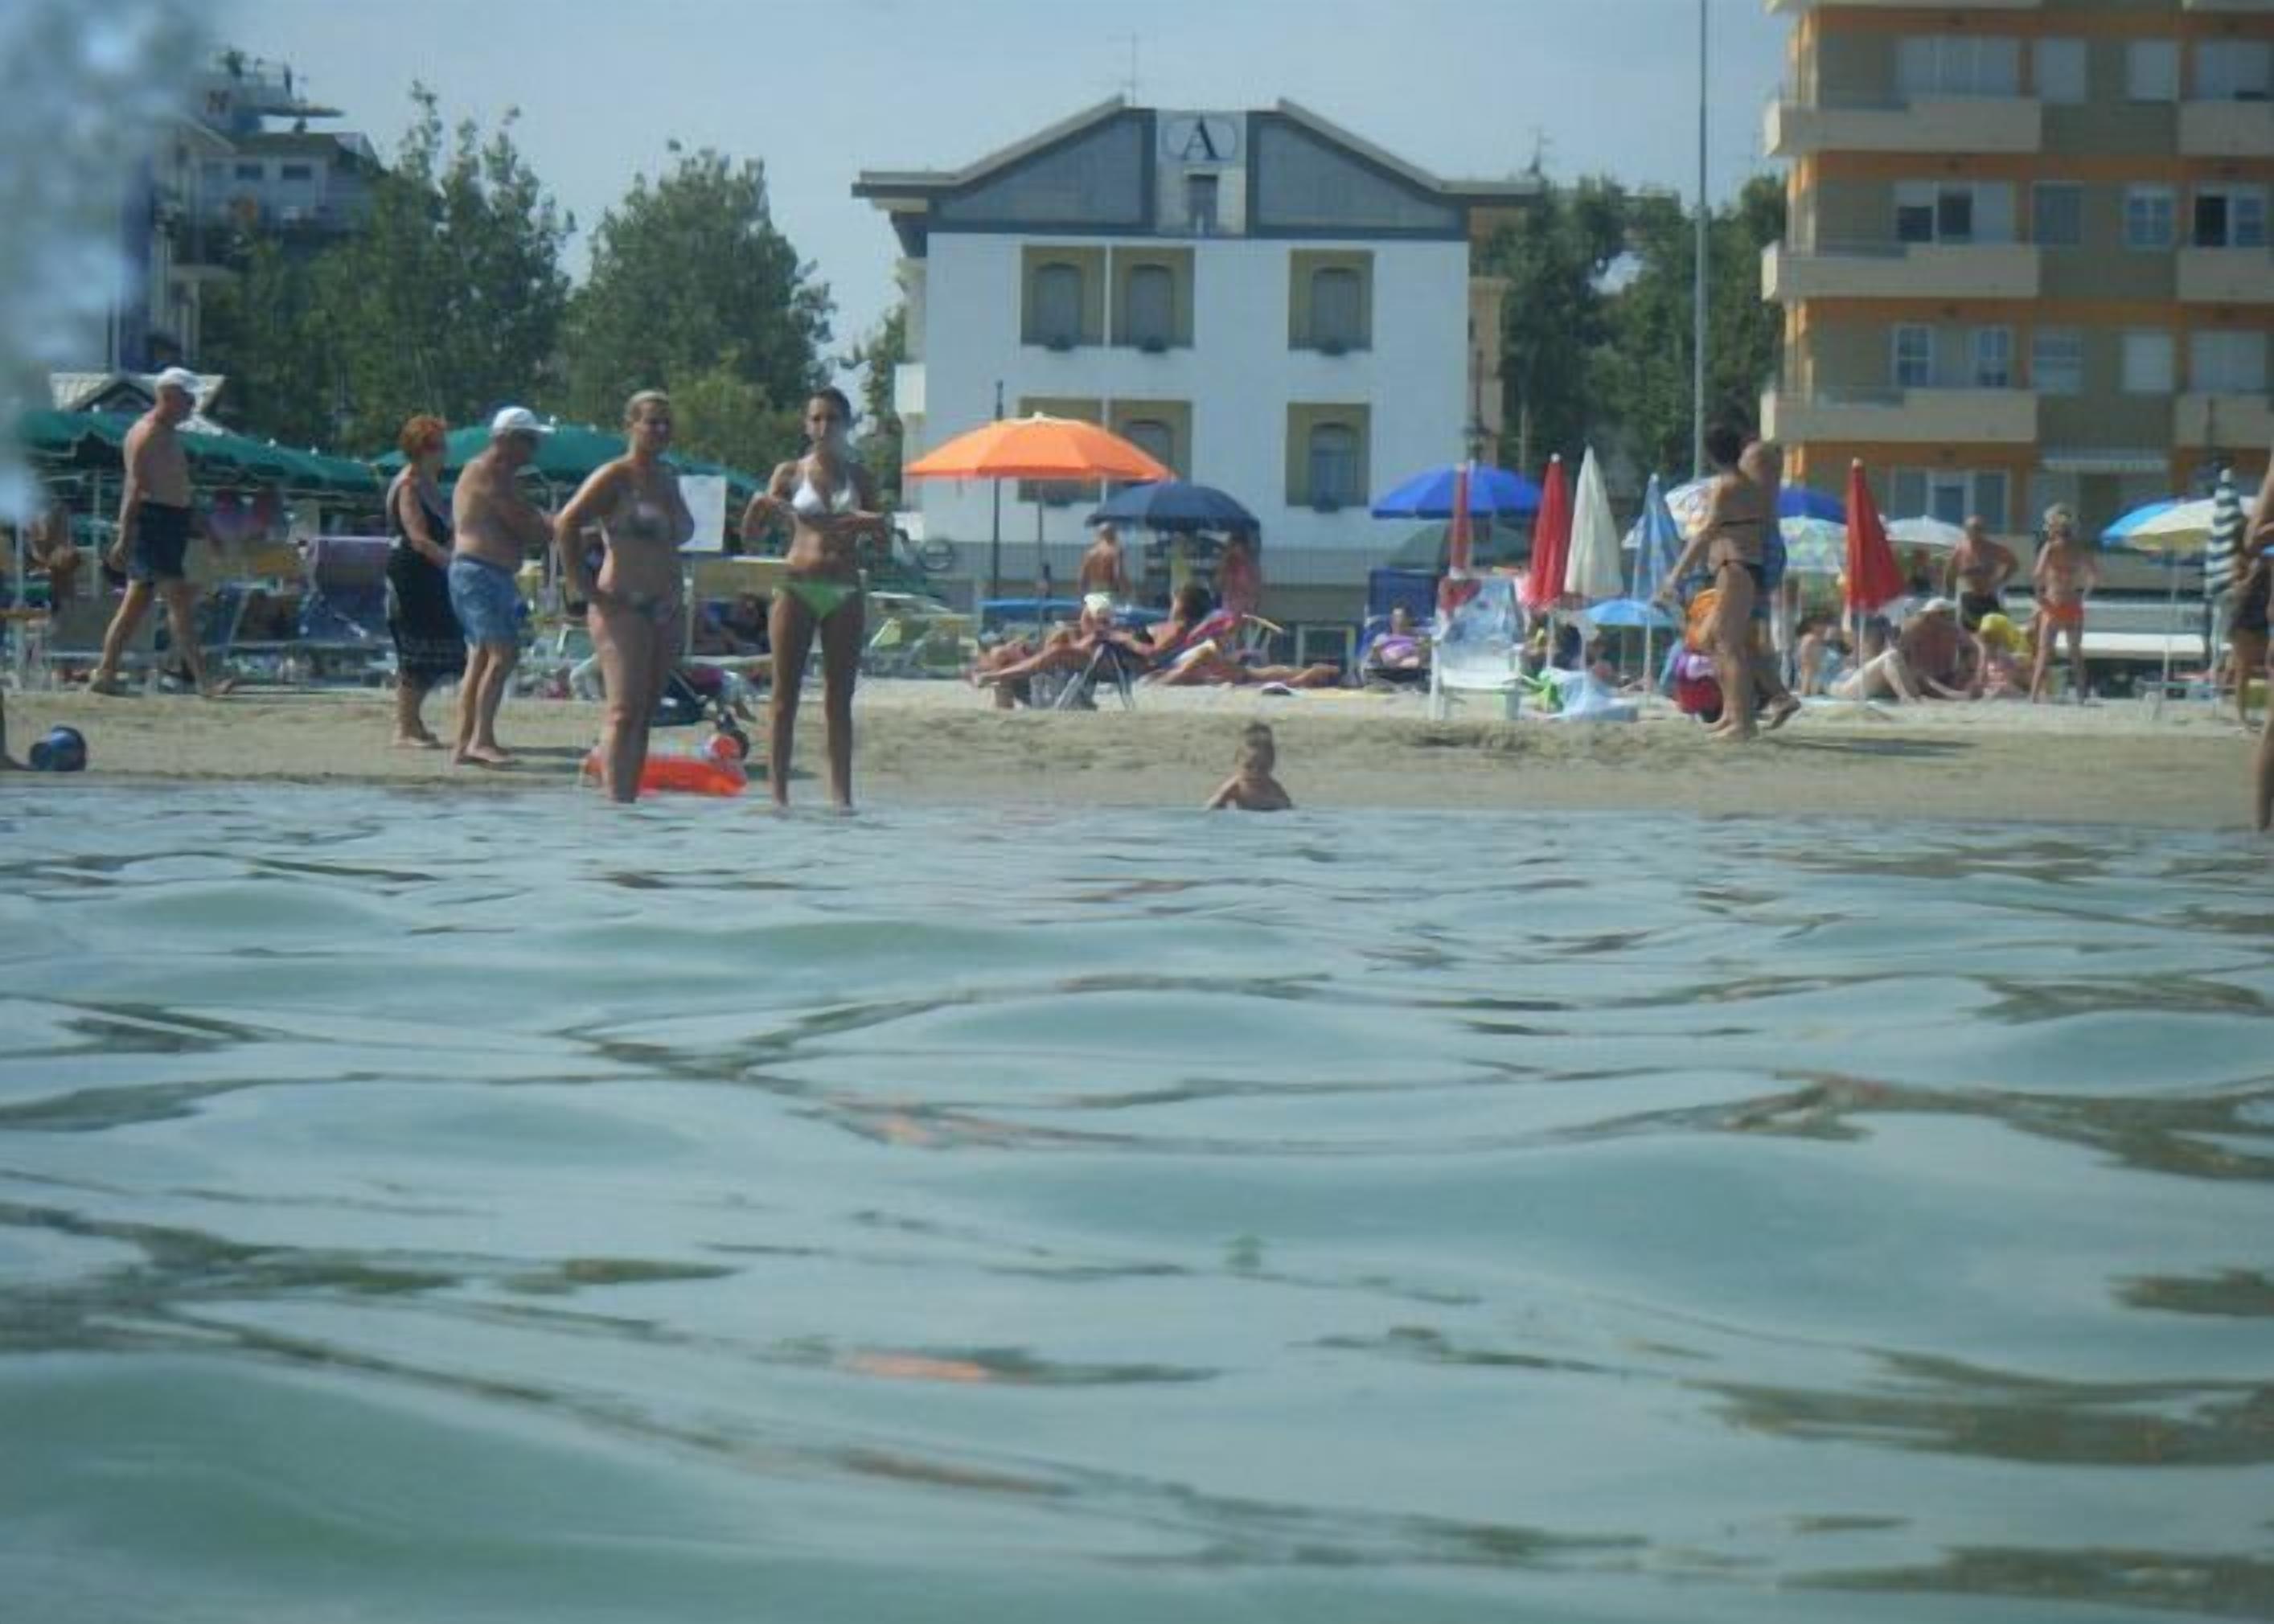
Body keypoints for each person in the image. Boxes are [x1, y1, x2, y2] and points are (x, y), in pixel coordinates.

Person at [739, 388, 889, 811]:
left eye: (834, 419)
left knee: (838, 699)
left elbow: (883, 546)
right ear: (807, 425)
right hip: (796, 584)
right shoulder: (790, 472)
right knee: (784, 696)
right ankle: (778, 796)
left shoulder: (859, 477)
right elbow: (752, 533)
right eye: (817, 419)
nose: (825, 427)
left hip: (844, 587)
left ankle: (842, 797)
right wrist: (756, 509)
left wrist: (872, 524)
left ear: (846, 424)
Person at [555, 391, 697, 802]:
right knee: (622, 710)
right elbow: (566, 523)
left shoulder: (669, 479)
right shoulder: (615, 476)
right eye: (651, 422)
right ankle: (613, 807)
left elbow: (680, 536)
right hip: (621, 603)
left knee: (646, 714)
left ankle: (629, 805)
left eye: (666, 423)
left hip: (667, 605)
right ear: (631, 425)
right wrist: (583, 588)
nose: (660, 430)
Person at [86, 367, 228, 699]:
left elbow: (179, 489)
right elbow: (134, 488)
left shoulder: (167, 435)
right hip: (154, 523)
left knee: (135, 605)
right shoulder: (146, 434)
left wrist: (206, 529)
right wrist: (124, 536)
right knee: (179, 603)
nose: (192, 406)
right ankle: (204, 681)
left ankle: (105, 672)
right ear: (168, 396)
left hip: (169, 523)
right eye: (188, 399)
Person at [449, 406, 553, 765]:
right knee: (502, 654)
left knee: (480, 658)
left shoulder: (504, 475)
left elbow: (526, 519)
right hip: (479, 573)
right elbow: (524, 523)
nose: (534, 449)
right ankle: (481, 740)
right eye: (529, 440)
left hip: (485, 574)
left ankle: (465, 744)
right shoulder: (488, 472)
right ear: (505, 438)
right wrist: (567, 525)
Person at [1658, 422, 1771, 740]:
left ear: (1710, 454)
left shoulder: (1725, 487)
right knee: (1713, 642)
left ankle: (1743, 722)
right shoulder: (1749, 485)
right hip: (1742, 567)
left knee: (1729, 646)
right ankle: (1732, 714)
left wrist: (1675, 576)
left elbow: (1705, 533)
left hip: (1735, 567)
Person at [383, 415, 465, 748]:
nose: (445, 453)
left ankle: (414, 721)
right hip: (411, 574)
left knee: (438, 646)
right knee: (414, 648)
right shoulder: (409, 485)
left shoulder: (432, 485)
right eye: (439, 446)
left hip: (432, 573)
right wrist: (454, 565)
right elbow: (418, 537)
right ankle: (404, 728)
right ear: (423, 449)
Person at [2028, 503, 2098, 703]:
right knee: (2075, 653)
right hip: (2073, 603)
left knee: (2043, 653)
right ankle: (2082, 696)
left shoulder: (2050, 548)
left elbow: (2037, 575)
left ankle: (2033, 696)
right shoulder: (2079, 549)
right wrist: (2084, 596)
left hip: (2053, 603)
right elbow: (2094, 576)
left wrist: (2039, 597)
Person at [1943, 515, 2018, 633]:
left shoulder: (1994, 549)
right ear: (1967, 531)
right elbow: (1950, 573)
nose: (1978, 532)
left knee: (1994, 634)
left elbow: (2013, 564)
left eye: (1981, 529)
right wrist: (1949, 595)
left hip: (1990, 596)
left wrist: (1999, 581)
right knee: (1968, 634)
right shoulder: (1960, 550)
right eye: (1975, 528)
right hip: (1968, 597)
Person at [2226, 537, 2269, 729]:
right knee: (2244, 669)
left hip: (2266, 616)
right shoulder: (2241, 559)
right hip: (2246, 617)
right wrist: (2254, 572)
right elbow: (2238, 590)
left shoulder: (2269, 556)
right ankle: (2242, 716)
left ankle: (2266, 715)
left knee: (2268, 666)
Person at [1205, 722, 1293, 812]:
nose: (1255, 774)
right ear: (1237, 762)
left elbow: (1290, 811)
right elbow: (1210, 809)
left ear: (1272, 765)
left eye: (1262, 769)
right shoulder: (1235, 787)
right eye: (1248, 767)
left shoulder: (1273, 789)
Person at [1077, 523, 1130, 601]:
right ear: (1113, 535)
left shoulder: (1091, 553)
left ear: (1099, 535)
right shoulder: (1115, 551)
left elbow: (1083, 575)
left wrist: (1081, 594)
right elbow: (1118, 573)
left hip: (1093, 592)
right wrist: (1126, 589)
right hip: (1110, 592)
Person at [1217, 531, 1262, 621]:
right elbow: (1220, 584)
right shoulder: (1228, 565)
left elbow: (1253, 588)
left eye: (1235, 546)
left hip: (1244, 606)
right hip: (1229, 607)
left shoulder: (1250, 566)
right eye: (1231, 546)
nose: (1233, 550)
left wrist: (1251, 602)